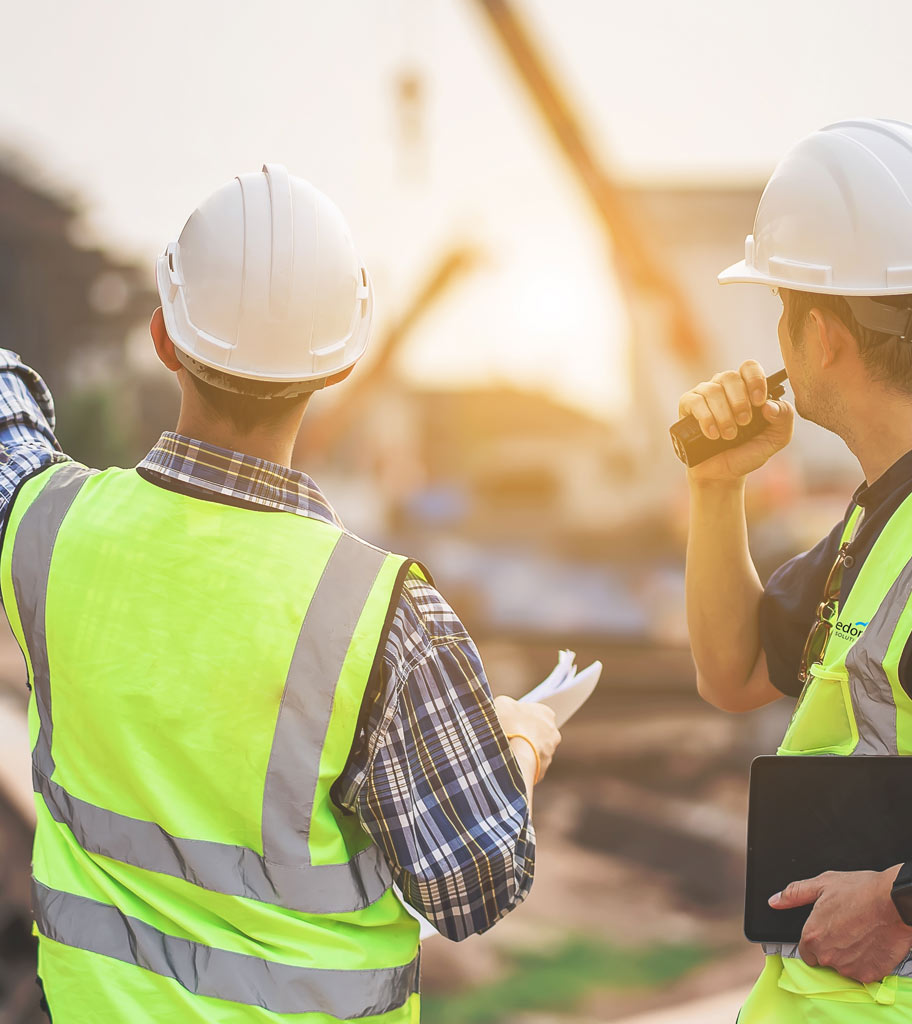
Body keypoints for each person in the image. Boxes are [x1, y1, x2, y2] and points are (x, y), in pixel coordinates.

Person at [0, 164, 561, 1023]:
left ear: (162, 338)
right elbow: (474, 885)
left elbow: (9, 428)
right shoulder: (387, 617)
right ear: (341, 366)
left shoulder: (49, 531)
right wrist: (519, 743)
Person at [680, 120, 912, 1021]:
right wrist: (719, 487)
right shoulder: (902, 508)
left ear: (821, 336)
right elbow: (736, 672)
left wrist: (905, 899)